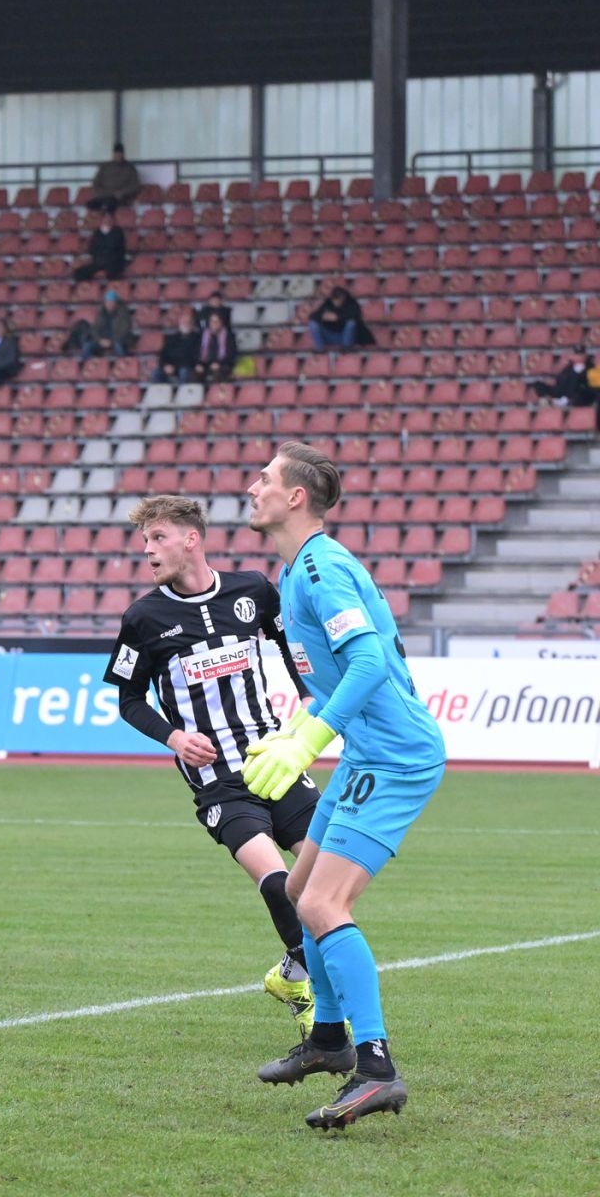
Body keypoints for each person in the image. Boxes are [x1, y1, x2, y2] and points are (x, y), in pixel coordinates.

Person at [243, 442, 448, 1129]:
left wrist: (308, 739)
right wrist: (294, 726)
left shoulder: (322, 568)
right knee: (301, 894)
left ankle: (377, 1067)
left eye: (264, 478)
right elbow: (339, 677)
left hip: (393, 757)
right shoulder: (297, 569)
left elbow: (365, 664)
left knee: (326, 903)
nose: (253, 487)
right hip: (368, 753)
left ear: (295, 497)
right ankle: (328, 1040)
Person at [103, 495, 321, 1040]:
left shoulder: (254, 591)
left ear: (191, 539)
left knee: (325, 872)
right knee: (277, 881)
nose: (147, 550)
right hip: (219, 780)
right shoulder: (144, 618)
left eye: (157, 538)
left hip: (273, 759)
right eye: (145, 540)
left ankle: (293, 973)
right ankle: (314, 994)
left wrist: (306, 709)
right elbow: (128, 700)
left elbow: (292, 650)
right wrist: (175, 737)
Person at [88, 142, 142, 214]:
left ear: (123, 154)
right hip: (104, 196)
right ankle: (101, 222)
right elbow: (96, 183)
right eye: (116, 154)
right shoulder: (105, 167)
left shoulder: (129, 168)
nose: (118, 156)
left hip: (121, 198)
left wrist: (122, 192)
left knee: (110, 204)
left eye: (120, 154)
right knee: (90, 204)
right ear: (113, 154)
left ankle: (107, 223)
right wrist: (103, 193)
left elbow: (134, 185)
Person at [307, 285, 367, 349]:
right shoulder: (328, 303)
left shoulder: (351, 303)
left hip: (345, 336)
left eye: (340, 299)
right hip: (330, 336)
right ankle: (321, 351)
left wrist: (338, 317)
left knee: (351, 323)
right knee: (313, 324)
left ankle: (346, 350)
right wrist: (322, 316)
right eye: (335, 299)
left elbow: (356, 315)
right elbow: (312, 316)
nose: (337, 302)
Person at [73, 213, 129, 282]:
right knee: (79, 273)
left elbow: (116, 247)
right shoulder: (97, 233)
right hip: (99, 261)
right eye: (105, 219)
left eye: (109, 219)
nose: (107, 221)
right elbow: (93, 248)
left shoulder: (118, 232)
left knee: (114, 273)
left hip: (114, 261)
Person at [154, 308, 201, 382]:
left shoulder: (198, 338)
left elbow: (195, 357)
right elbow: (163, 355)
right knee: (156, 373)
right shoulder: (171, 338)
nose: (186, 324)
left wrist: (175, 367)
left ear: (192, 324)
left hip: (187, 367)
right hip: (171, 367)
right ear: (179, 324)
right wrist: (165, 365)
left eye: (188, 322)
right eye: (184, 322)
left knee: (184, 372)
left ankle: (183, 393)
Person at [194, 310, 238, 385]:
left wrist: (219, 363)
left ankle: (217, 394)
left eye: (216, 321)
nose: (214, 323)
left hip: (223, 364)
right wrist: (199, 363)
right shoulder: (202, 335)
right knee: (194, 374)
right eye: (212, 321)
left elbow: (231, 354)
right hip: (205, 363)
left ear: (221, 323)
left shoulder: (229, 336)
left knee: (218, 373)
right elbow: (196, 352)